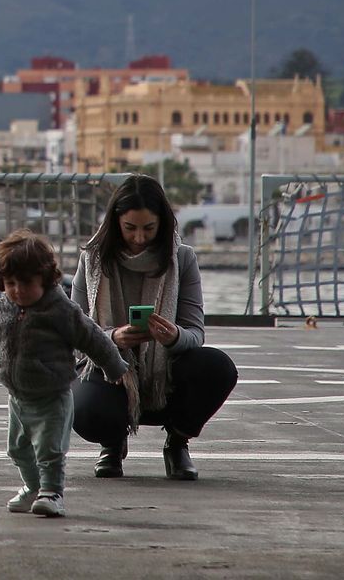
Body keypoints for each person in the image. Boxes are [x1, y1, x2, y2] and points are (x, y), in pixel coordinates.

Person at [71, 174, 238, 481]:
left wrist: (172, 336)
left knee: (219, 368)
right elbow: (75, 332)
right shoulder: (92, 260)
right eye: (130, 228)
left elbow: (195, 333)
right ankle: (111, 443)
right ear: (115, 223)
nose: (138, 238)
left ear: (163, 224)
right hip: (108, 370)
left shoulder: (182, 258)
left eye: (149, 228)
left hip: (166, 369)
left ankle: (177, 441)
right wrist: (112, 339)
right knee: (82, 407)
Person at [0, 230, 128, 518]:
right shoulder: (1, 309)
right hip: (18, 398)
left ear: (45, 278)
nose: (17, 290)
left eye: (25, 282)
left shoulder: (60, 310)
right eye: (10, 283)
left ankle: (52, 493)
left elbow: (93, 338)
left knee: (50, 450)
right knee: (18, 450)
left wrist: (113, 367)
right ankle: (32, 487)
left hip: (53, 396)